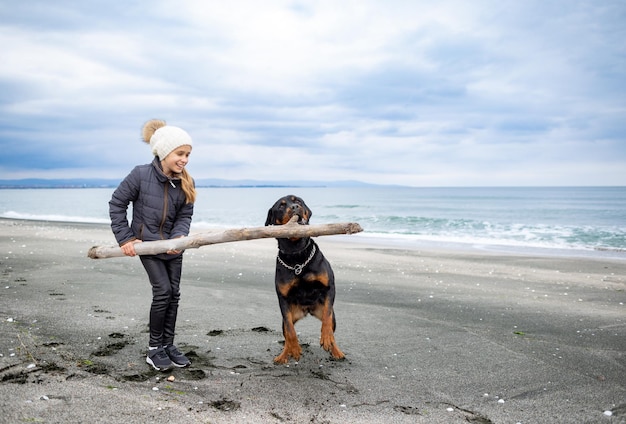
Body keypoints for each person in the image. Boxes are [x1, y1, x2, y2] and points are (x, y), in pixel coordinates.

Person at [109, 119, 196, 371]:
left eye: (188, 154)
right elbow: (117, 204)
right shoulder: (140, 175)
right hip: (147, 246)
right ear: (164, 152)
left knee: (174, 295)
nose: (185, 160)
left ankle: (168, 345)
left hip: (173, 248)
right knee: (163, 293)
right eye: (180, 154)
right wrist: (126, 238)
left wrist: (179, 239)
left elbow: (184, 216)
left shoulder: (186, 182)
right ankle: (154, 348)